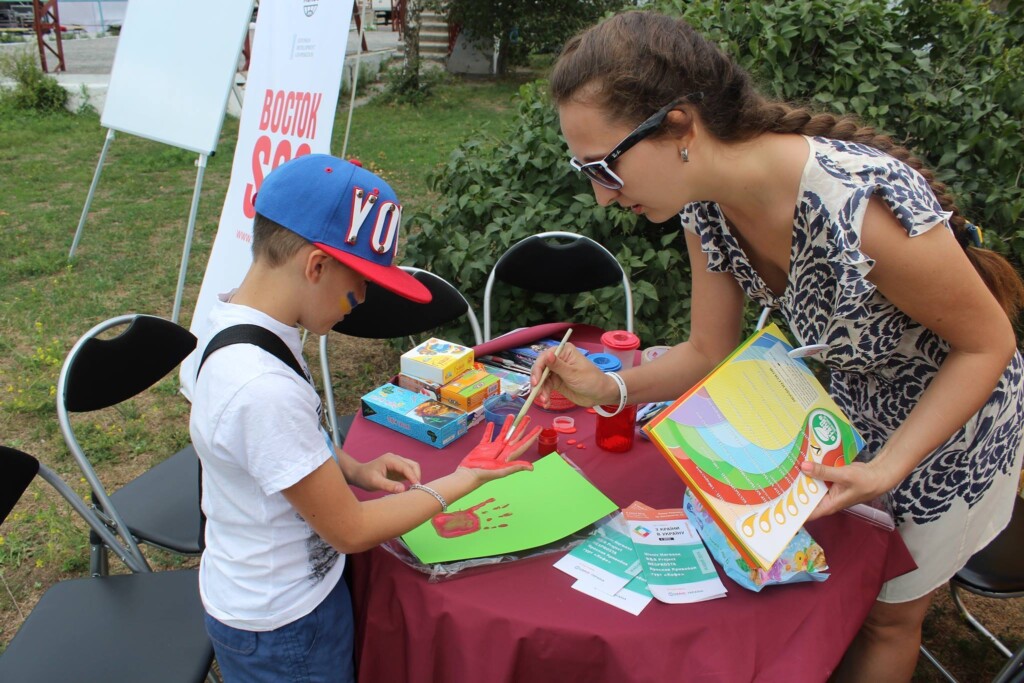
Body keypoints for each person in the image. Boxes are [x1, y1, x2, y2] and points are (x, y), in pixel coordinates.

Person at [532, 11, 1024, 682]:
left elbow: (987, 343)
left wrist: (889, 468)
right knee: (845, 592)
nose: (598, 196)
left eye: (604, 166)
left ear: (680, 126)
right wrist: (604, 387)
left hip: (952, 422)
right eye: (581, 168)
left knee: (888, 613)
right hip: (855, 411)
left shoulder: (858, 209)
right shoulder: (704, 202)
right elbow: (708, 350)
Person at [190, 154, 539, 683]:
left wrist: (351, 468)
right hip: (285, 626)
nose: (360, 301)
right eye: (358, 285)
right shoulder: (259, 387)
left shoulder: (241, 324)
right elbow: (352, 530)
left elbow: (270, 447)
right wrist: (464, 479)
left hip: (276, 595)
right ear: (315, 266)